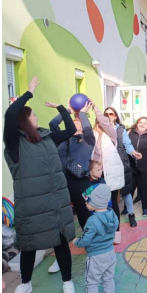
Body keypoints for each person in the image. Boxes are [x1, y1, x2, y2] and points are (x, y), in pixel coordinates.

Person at [3, 77, 79, 293]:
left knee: (60, 244)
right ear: (25, 120)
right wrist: (28, 93)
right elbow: (9, 115)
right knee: (28, 246)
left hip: (54, 204)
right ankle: (25, 284)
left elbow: (71, 130)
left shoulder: (47, 137)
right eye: (33, 114)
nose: (37, 117)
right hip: (31, 207)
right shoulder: (14, 144)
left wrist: (62, 108)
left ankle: (68, 283)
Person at [75, 172, 119, 293]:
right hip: (110, 253)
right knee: (108, 278)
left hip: (95, 256)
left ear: (96, 202)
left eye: (88, 200)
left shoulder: (92, 220)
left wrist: (76, 242)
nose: (86, 203)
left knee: (92, 283)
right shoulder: (112, 214)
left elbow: (86, 239)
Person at [49, 98, 96, 229]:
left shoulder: (87, 140)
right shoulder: (61, 139)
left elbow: (87, 127)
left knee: (84, 211)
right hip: (62, 180)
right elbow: (53, 124)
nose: (75, 123)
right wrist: (67, 111)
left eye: (78, 122)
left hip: (80, 180)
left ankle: (90, 235)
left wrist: (82, 113)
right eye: (72, 122)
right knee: (62, 212)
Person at [94, 106, 135, 233]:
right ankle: (107, 225)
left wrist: (133, 152)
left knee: (126, 191)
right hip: (103, 169)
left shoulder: (118, 130)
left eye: (111, 114)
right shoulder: (98, 131)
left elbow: (127, 144)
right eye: (106, 114)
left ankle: (131, 214)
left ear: (115, 116)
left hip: (120, 163)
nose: (108, 116)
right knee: (107, 198)